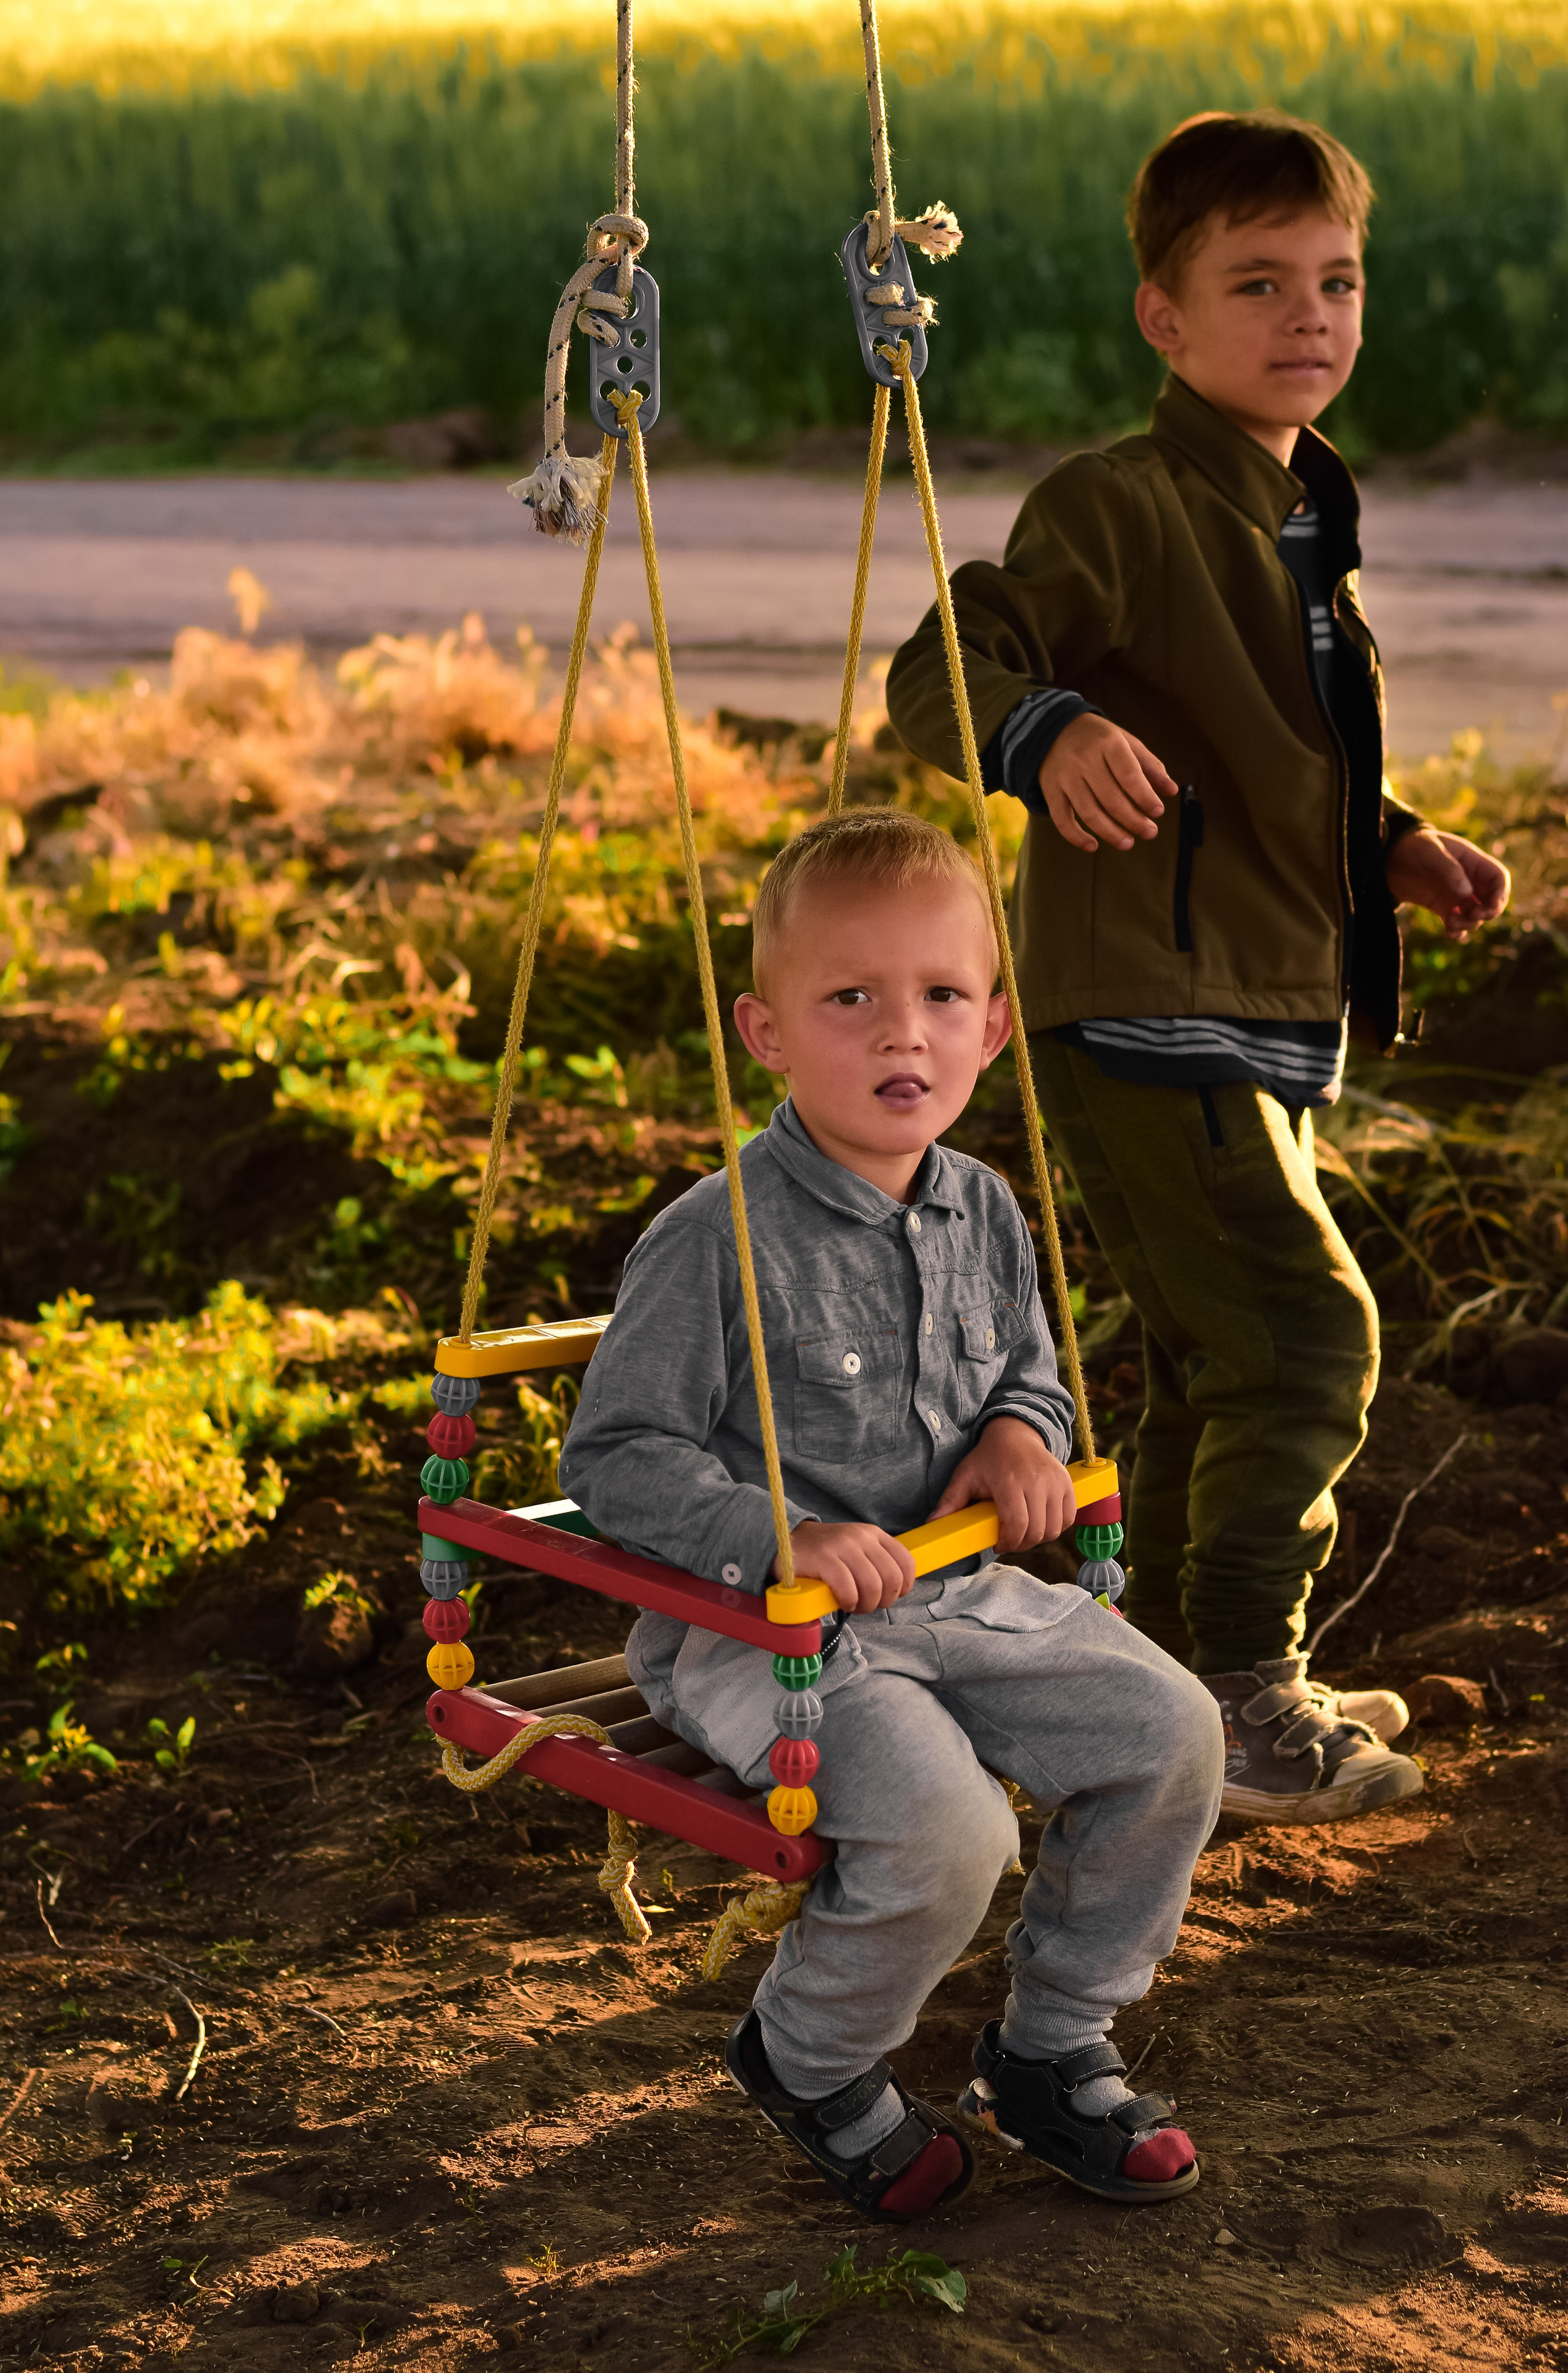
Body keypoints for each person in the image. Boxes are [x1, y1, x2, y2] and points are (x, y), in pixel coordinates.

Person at [886, 109, 1511, 1824]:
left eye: (1337, 281)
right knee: (1311, 1340)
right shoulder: (1129, 502)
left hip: (1253, 995)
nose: (1308, 316)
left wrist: (1387, 837)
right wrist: (1042, 725)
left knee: (1211, 1357)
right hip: (1152, 1004)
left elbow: (1267, 751)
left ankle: (1151, 1682)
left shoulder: (1296, 508)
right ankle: (1240, 1686)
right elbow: (954, 654)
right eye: (1258, 284)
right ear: (1166, 318)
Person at [560, 808, 1224, 2224]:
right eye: (849, 999)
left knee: (1173, 1733)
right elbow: (615, 1452)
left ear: (990, 1028)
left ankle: (1048, 2044)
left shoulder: (983, 1205)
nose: (898, 1036)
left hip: (960, 1598)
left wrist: (1015, 1439)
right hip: (767, 1633)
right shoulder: (715, 1235)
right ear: (767, 1032)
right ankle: (806, 2054)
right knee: (950, 1835)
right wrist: (772, 1533)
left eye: (937, 996)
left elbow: (1028, 1378)